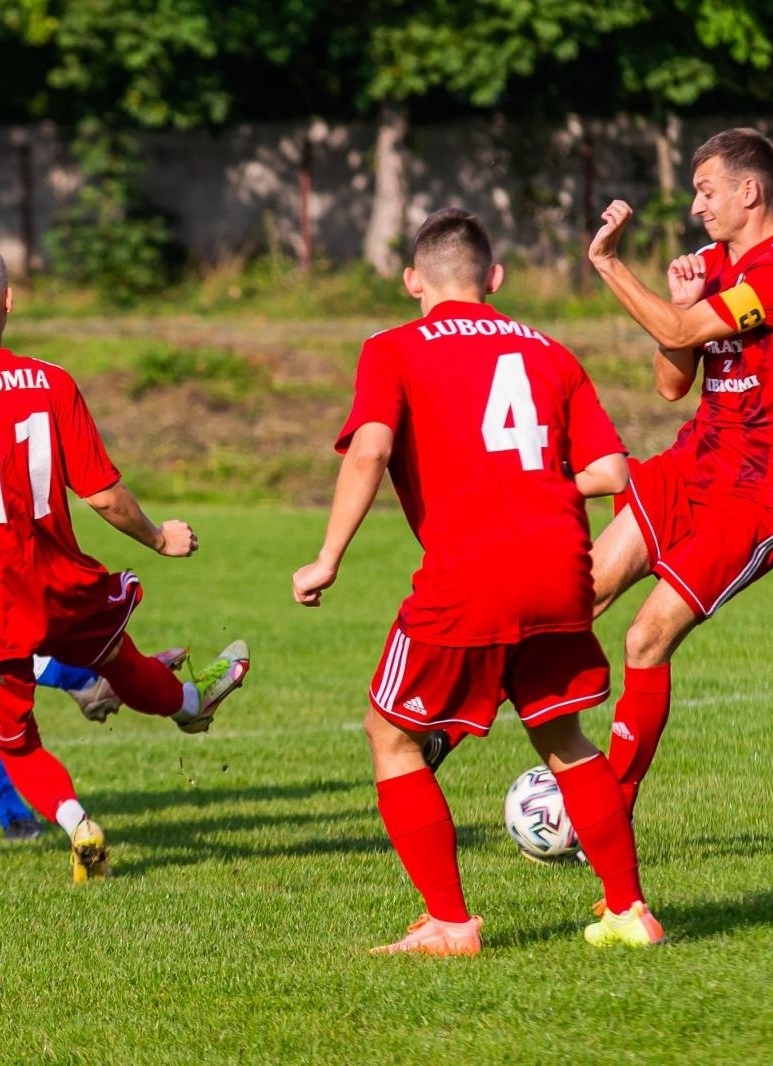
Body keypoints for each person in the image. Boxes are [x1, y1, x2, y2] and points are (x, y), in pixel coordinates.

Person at [291, 208, 662, 956]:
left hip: (471, 572)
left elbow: (369, 452)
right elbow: (613, 471)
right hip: (562, 566)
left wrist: (327, 555)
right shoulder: (549, 350)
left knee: (391, 735)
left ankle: (451, 924)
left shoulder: (392, 347)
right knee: (562, 734)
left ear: (411, 280)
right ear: (494, 280)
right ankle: (629, 910)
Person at [0, 240, 251, 883]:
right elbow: (104, 495)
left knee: (16, 737)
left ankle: (77, 820)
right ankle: (189, 703)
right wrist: (160, 537)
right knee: (119, 656)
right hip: (56, 579)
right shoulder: (51, 382)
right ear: (10, 301)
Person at [581, 128, 773, 820]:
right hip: (694, 464)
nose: (697, 207)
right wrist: (683, 309)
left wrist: (610, 267)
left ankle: (609, 809)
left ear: (749, 192)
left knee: (646, 636)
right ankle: (452, 726)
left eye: (707, 190)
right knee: (578, 593)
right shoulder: (712, 267)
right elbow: (671, 383)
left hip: (759, 493)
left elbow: (687, 333)